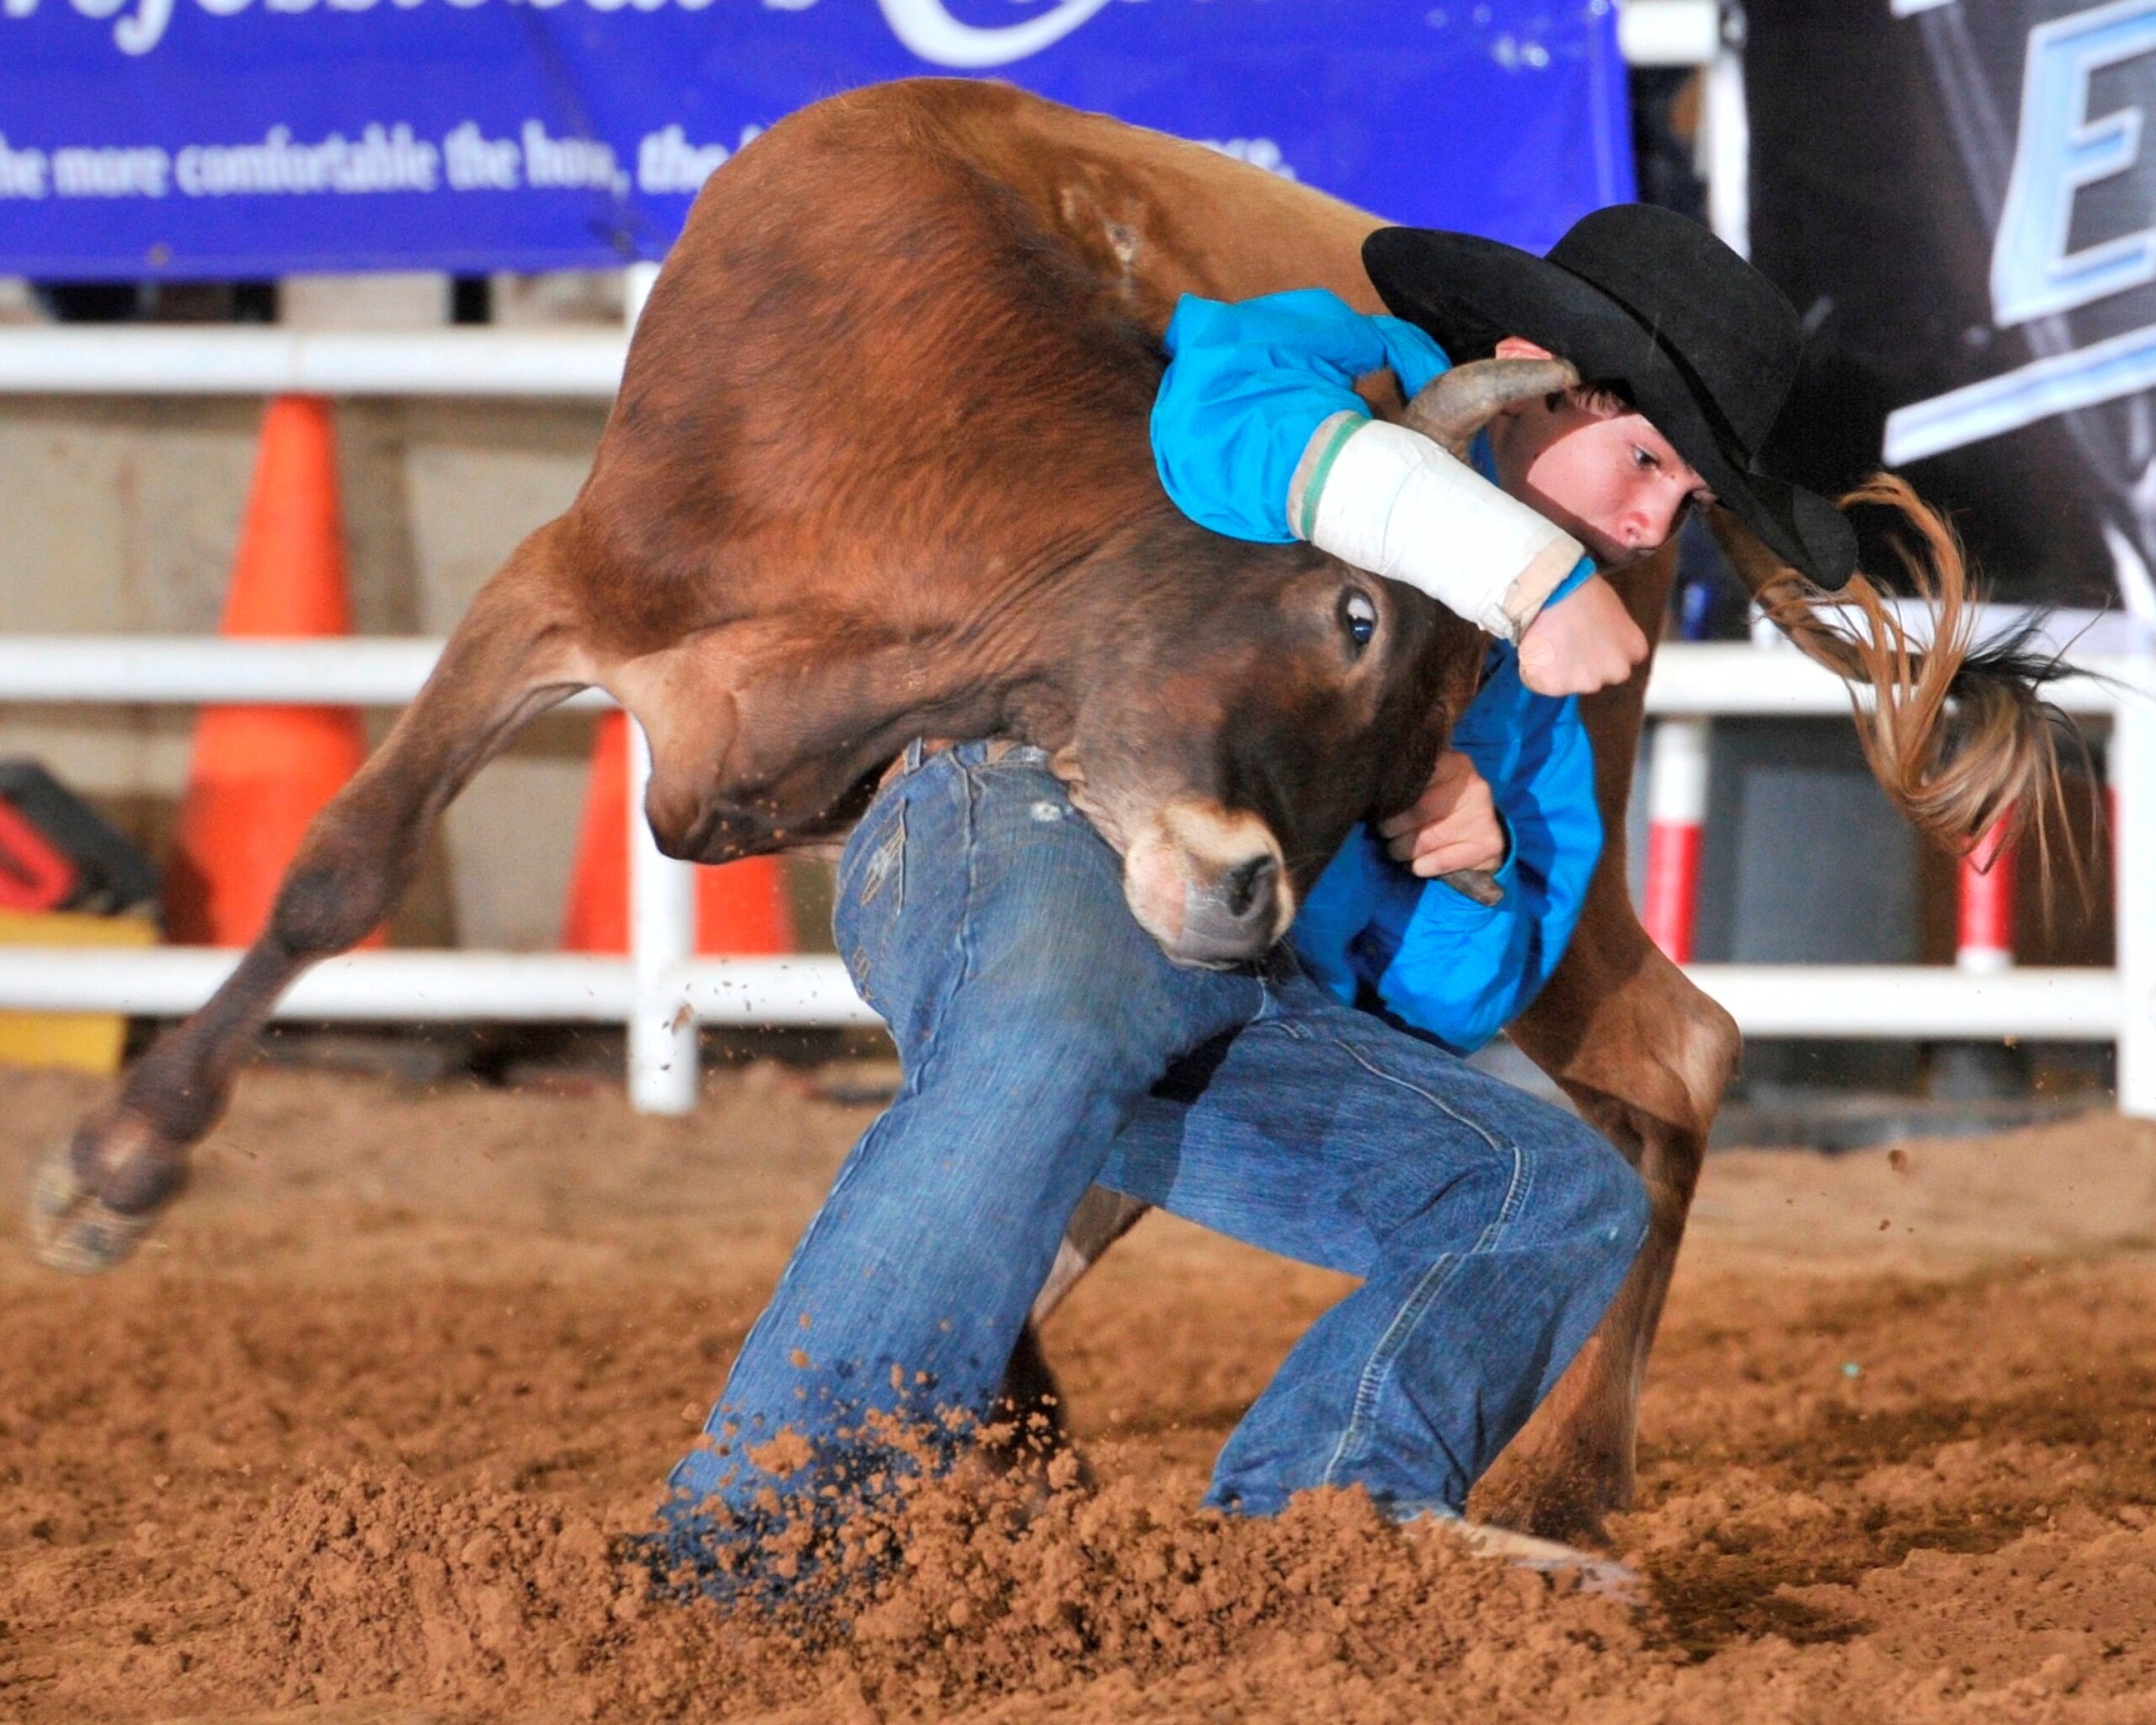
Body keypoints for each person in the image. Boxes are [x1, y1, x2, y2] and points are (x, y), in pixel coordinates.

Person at [655, 204, 1859, 1587]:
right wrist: (1532, 573)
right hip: (1036, 803)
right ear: (1530, 373)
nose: (1652, 523)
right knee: (1068, 1018)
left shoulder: (1527, 698)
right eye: (1646, 462)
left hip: (1228, 956)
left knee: (1555, 1192)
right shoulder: (1358, 367)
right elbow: (1224, 430)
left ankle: (1326, 1533)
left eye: (1684, 504)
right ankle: (754, 1546)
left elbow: (1453, 995)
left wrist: (1462, 865)